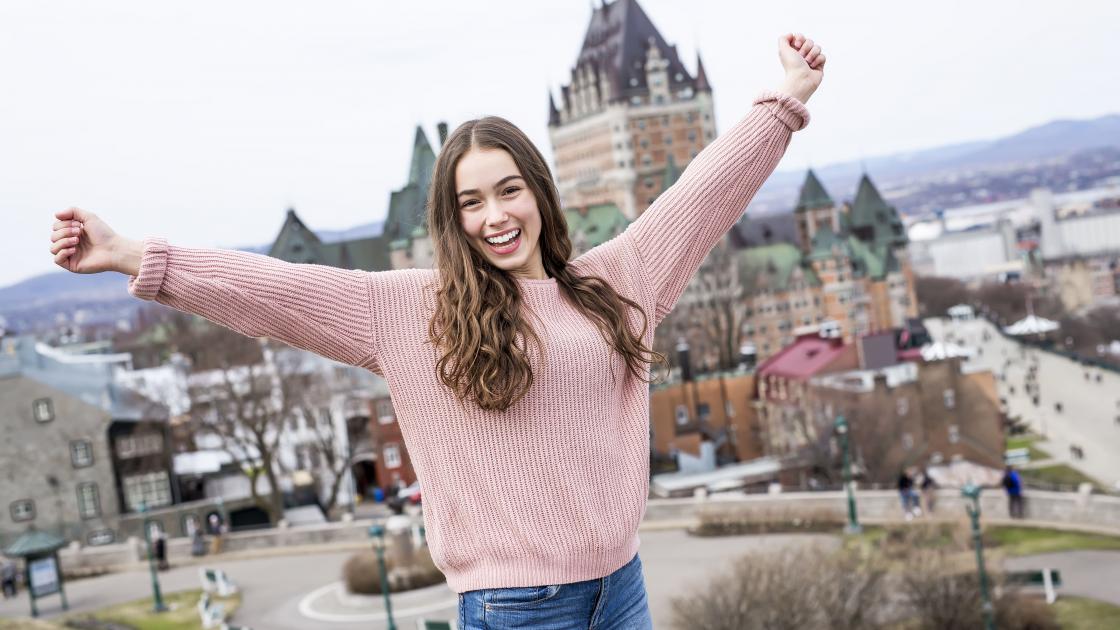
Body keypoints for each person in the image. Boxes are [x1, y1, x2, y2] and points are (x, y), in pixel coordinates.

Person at [47, 33, 825, 629]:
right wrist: (129, 254)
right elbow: (273, 290)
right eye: (471, 202)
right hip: (516, 610)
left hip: (623, 589)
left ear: (539, 195)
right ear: (452, 220)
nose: (495, 217)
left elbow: (706, 192)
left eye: (509, 190)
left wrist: (785, 99)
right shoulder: (414, 312)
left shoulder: (616, 282)